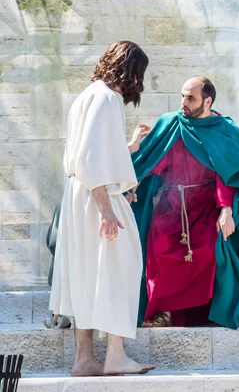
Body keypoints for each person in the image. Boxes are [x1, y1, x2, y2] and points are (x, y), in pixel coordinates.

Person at [49, 41, 156, 376]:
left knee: (87, 273)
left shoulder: (88, 95)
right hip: (97, 200)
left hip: (82, 196)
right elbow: (89, 159)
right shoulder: (107, 98)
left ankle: (84, 360)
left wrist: (128, 150)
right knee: (118, 268)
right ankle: (115, 354)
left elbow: (89, 153)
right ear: (132, 70)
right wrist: (107, 207)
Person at [131, 76, 239, 329]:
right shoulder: (170, 123)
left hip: (206, 207)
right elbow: (152, 161)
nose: (183, 102)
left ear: (207, 101)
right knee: (160, 249)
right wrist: (133, 183)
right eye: (182, 96)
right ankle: (162, 313)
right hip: (171, 206)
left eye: (190, 98)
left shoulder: (226, 131)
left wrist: (226, 209)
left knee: (209, 248)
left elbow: (229, 173)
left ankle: (204, 313)